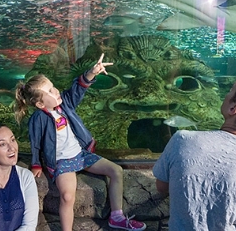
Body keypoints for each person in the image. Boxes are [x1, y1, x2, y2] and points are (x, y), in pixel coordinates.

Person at [14, 53, 146, 231]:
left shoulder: (65, 103)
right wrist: (36, 164)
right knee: (68, 196)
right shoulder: (38, 119)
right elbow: (35, 142)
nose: (56, 91)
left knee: (116, 170)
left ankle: (117, 217)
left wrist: (92, 72)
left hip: (81, 155)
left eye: (53, 87)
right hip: (62, 163)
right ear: (39, 104)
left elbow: (78, 88)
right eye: (50, 91)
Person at [152, 75, 236, 231]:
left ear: (233, 109)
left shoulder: (182, 140)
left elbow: (162, 186)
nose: (226, 94)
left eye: (230, 90)